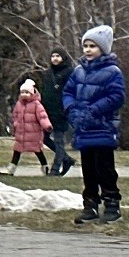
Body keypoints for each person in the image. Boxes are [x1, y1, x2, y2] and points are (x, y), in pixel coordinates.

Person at [63, 26, 125, 225]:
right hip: (83, 129)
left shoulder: (112, 72)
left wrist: (95, 109)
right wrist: (71, 108)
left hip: (103, 127)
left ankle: (112, 203)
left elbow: (117, 96)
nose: (88, 50)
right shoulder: (78, 71)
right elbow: (68, 92)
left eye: (93, 46)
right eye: (86, 46)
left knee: (104, 168)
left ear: (103, 49)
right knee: (88, 169)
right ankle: (90, 204)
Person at [0, 80, 52, 177]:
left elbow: (42, 117)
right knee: (17, 151)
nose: (24, 94)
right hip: (21, 133)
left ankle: (45, 167)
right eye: (22, 92)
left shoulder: (36, 104)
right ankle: (11, 169)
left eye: (27, 92)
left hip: (33, 133)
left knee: (38, 151)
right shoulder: (19, 104)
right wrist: (15, 124)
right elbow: (15, 115)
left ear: (32, 93)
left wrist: (47, 125)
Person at [40, 47, 76, 176]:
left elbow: (71, 91)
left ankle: (55, 168)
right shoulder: (48, 73)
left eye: (58, 56)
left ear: (63, 58)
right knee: (43, 138)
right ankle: (66, 159)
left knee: (59, 140)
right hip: (47, 111)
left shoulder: (69, 72)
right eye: (53, 56)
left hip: (61, 111)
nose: (55, 59)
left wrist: (67, 108)